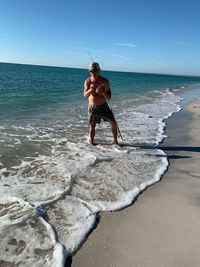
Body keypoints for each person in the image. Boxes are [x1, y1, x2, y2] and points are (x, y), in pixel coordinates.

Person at [84, 62, 118, 145]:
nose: (93, 73)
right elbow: (85, 95)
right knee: (92, 126)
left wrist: (103, 92)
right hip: (93, 107)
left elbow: (109, 97)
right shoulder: (88, 82)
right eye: (91, 71)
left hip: (104, 105)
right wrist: (91, 90)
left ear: (99, 70)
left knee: (113, 122)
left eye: (95, 70)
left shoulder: (105, 81)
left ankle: (115, 141)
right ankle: (91, 143)